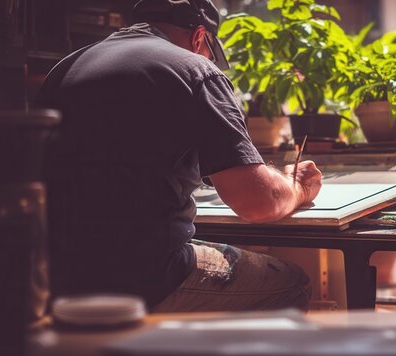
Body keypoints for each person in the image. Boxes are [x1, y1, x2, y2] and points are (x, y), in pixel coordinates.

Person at [36, 0, 322, 312]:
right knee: (291, 282)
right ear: (200, 37)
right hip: (143, 277)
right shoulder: (195, 69)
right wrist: (298, 187)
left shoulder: (65, 68)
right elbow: (257, 203)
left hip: (54, 278)